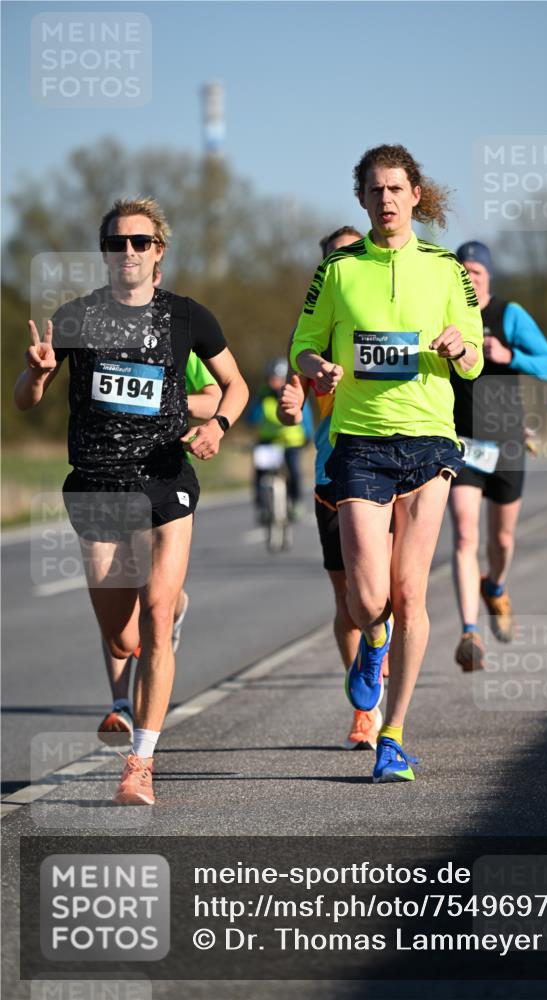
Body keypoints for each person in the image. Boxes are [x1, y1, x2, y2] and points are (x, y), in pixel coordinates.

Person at [15, 197, 249, 805]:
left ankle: (140, 763)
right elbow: (23, 401)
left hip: (163, 478)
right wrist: (37, 375)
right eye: (117, 243)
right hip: (96, 483)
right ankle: (165, 618)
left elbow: (237, 384)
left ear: (158, 252)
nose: (128, 252)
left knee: (154, 610)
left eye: (139, 242)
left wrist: (219, 426)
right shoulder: (76, 317)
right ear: (105, 252)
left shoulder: (188, 317)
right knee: (123, 640)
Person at [290, 144, 483, 782]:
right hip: (361, 443)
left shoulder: (446, 267)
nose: (387, 199)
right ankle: (374, 643)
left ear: (415, 195)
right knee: (368, 598)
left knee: (411, 591)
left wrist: (460, 348)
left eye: (397, 188)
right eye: (375, 190)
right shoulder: (340, 270)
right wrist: (315, 366)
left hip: (429, 439)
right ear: (363, 199)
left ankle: (393, 735)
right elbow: (303, 343)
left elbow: (475, 353)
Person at [279, 224, 389, 751]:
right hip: (333, 476)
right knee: (348, 601)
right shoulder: (314, 330)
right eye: (333, 262)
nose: (343, 267)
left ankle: (382, 655)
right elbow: (292, 383)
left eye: (352, 256)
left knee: (393, 593)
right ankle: (365, 709)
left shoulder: (392, 310)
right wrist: (291, 399)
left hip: (393, 471)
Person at [448, 241, 547, 671]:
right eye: (464, 272)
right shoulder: (446, 316)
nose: (470, 278)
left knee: (502, 540)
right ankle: (469, 633)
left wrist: (510, 355)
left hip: (508, 441)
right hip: (462, 442)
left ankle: (495, 587)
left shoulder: (509, 315)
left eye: (477, 271)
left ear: (489, 276)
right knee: (463, 535)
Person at [97, 351, 221, 738]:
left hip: (162, 479)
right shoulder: (99, 339)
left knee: (154, 604)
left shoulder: (178, 334)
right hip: (110, 478)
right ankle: (119, 702)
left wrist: (164, 402)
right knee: (120, 603)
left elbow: (214, 396)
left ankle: (137, 730)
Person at [247, 357, 312, 521]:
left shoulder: (294, 393)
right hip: (268, 442)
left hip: (291, 442)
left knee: (294, 471)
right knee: (259, 473)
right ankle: (262, 506)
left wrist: (307, 436)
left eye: (277, 378)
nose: (273, 382)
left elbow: (306, 417)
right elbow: (252, 419)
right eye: (271, 378)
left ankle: (296, 502)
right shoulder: (263, 395)